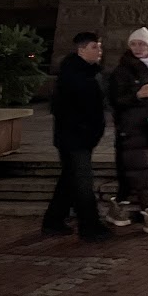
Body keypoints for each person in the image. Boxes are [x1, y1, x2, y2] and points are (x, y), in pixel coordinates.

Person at [42, 32, 111, 242]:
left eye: (99, 46)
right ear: (81, 50)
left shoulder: (92, 73)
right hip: (74, 138)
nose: (99, 51)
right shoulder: (72, 75)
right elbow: (63, 107)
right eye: (94, 47)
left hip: (83, 137)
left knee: (69, 179)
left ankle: (53, 221)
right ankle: (90, 226)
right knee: (82, 182)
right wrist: (82, 128)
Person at [105, 27, 148, 234]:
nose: (137, 48)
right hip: (130, 127)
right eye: (133, 44)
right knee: (139, 168)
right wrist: (137, 96)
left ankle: (118, 208)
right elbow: (115, 99)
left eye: (142, 44)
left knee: (131, 170)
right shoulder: (122, 70)